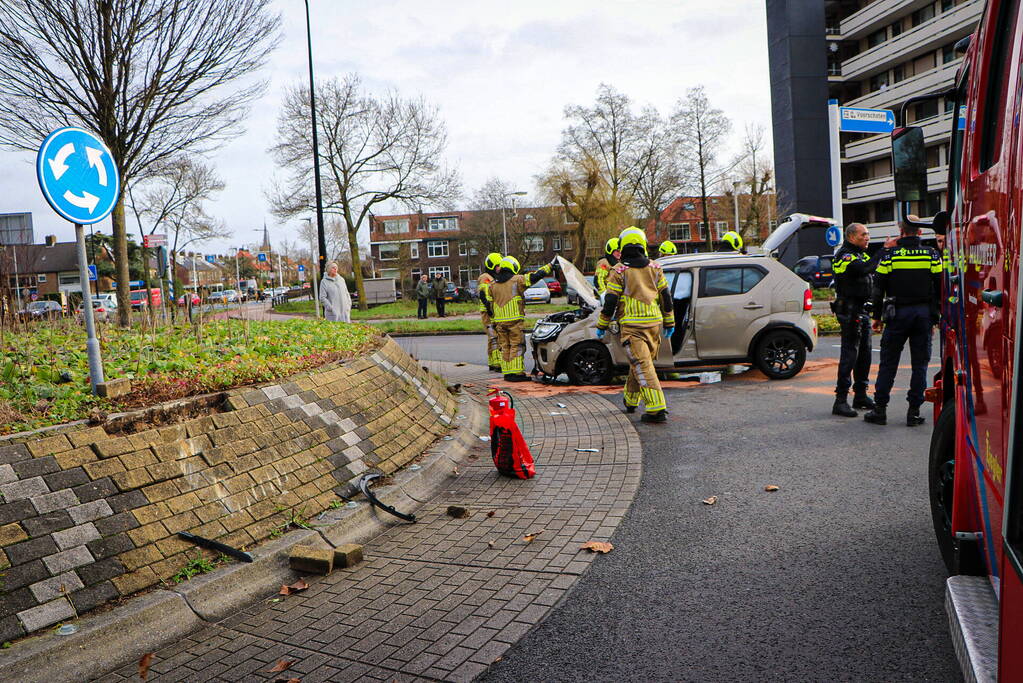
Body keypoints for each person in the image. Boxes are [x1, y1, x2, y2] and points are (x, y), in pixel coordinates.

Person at [864, 216, 942, 426]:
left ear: (901, 232)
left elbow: (878, 288)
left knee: (888, 364)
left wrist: (877, 317)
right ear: (920, 232)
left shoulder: (890, 256)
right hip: (922, 315)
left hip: (897, 315)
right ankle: (913, 412)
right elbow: (939, 286)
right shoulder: (931, 255)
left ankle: (880, 410)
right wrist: (935, 316)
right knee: (920, 365)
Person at [596, 226, 674, 424]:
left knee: (642, 364)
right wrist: (669, 321)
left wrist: (602, 325)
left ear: (622, 246)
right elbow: (666, 296)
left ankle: (656, 408)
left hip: (632, 327)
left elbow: (610, 301)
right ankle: (630, 400)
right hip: (654, 325)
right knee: (640, 362)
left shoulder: (618, 270)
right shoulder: (655, 267)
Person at [830, 223, 884, 417]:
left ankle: (860, 395)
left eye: (868, 234)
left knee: (864, 355)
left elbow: (874, 268)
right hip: (850, 311)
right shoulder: (844, 255)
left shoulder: (861, 254)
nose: (867, 237)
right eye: (864, 234)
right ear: (852, 237)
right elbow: (863, 269)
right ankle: (840, 400)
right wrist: (884, 250)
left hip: (862, 310)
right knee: (850, 355)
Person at [481, 256, 556, 382]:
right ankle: (516, 373)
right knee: (517, 345)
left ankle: (507, 373)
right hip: (514, 321)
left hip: (499, 322)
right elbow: (535, 276)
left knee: (505, 346)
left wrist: (493, 319)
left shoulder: (492, 285)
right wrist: (550, 266)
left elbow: (488, 303)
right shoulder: (517, 280)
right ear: (513, 267)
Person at [478, 253, 503, 371]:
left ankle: (492, 362)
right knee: (494, 337)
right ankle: (497, 362)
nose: (499, 268)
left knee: (491, 337)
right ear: (492, 265)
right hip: (487, 312)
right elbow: (483, 294)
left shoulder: (492, 277)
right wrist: (489, 309)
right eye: (498, 266)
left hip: (491, 310)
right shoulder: (485, 277)